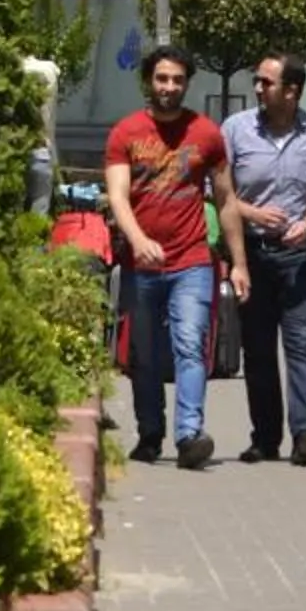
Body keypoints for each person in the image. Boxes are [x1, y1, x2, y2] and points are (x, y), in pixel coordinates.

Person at [104, 44, 249, 469]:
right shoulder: (125, 133)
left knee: (191, 346)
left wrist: (238, 262)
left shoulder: (206, 134)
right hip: (141, 266)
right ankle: (150, 434)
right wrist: (137, 239)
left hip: (192, 261)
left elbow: (226, 200)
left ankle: (189, 435)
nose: (169, 87)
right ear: (149, 81)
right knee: (144, 354)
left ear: (187, 83)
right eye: (162, 78)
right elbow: (117, 195)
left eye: (178, 80)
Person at [221, 54, 306, 465]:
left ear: (292, 91)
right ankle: (266, 438)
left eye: (267, 82)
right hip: (252, 253)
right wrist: (253, 213)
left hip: (300, 257)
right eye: (257, 81)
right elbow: (219, 192)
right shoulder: (236, 131)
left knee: (302, 344)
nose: (258, 88)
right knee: (257, 349)